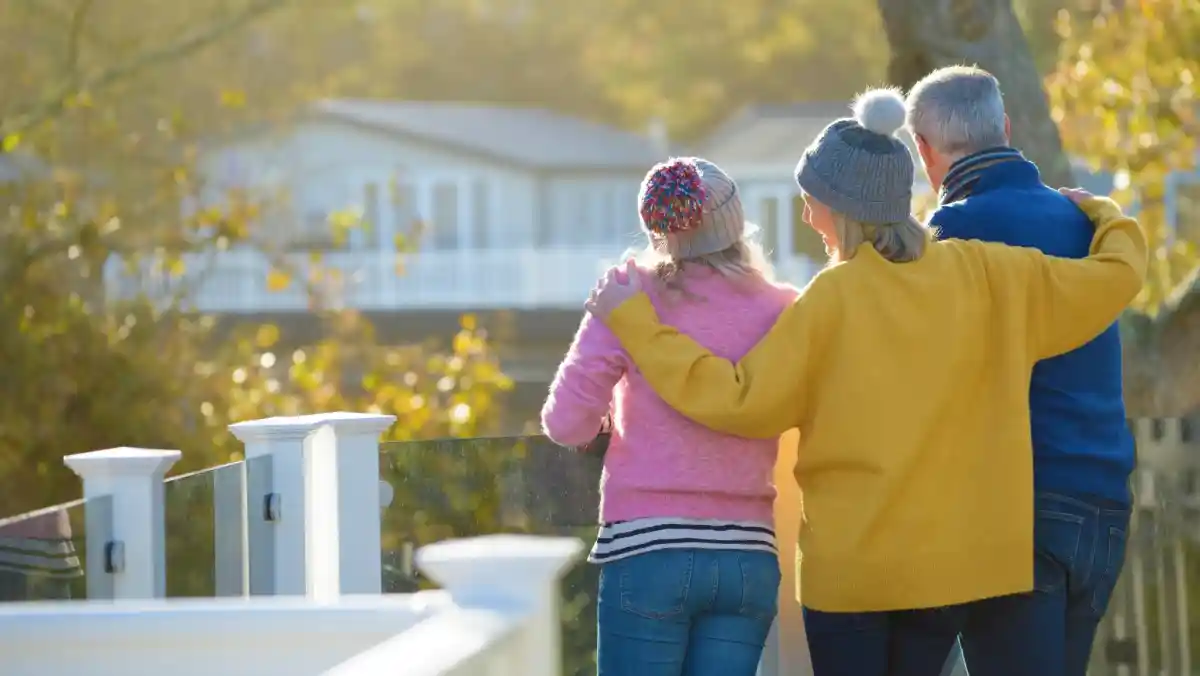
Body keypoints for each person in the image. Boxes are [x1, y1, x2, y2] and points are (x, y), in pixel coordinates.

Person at [582, 88, 1147, 676]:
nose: (805, 215)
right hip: (949, 574)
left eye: (811, 200)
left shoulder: (831, 300)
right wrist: (1103, 214)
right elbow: (1112, 280)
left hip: (849, 579)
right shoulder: (985, 272)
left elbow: (738, 399)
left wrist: (638, 325)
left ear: (842, 208)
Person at [906, 66, 1136, 676]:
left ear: (923, 151)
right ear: (1005, 128)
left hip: (1021, 506)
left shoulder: (954, 233)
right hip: (1104, 499)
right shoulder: (1084, 223)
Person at [540, 158, 798, 676]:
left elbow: (565, 423)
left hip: (647, 547)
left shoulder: (628, 300)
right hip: (749, 552)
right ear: (734, 222)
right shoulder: (785, 307)